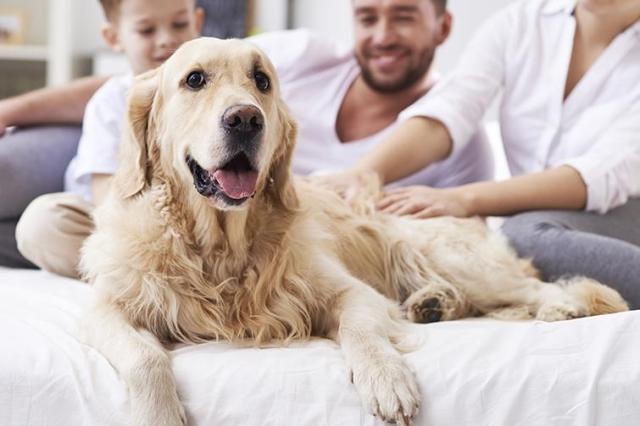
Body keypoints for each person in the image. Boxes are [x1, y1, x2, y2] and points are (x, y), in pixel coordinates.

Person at [1, 0, 494, 277]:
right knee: (45, 221)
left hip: (271, 221)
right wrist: (13, 109)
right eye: (368, 17)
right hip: (155, 198)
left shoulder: (452, 134)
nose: (383, 35)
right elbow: (154, 80)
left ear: (444, 27)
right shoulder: (306, 56)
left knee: (38, 227)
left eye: (404, 17)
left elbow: (458, 227)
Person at [333, 0, 640, 308]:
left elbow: (601, 175)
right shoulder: (520, 24)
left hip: (624, 214)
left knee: (521, 237)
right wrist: (364, 173)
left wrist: (462, 199)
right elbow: (453, 106)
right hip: (554, 221)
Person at [10, 0, 204, 277]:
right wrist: (160, 229)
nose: (167, 39)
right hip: (116, 222)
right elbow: (107, 199)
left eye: (179, 24)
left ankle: (182, 275)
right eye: (146, 30)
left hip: (199, 227)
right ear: (114, 38)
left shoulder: (214, 99)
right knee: (42, 224)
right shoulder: (111, 100)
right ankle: (139, 278)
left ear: (197, 22)